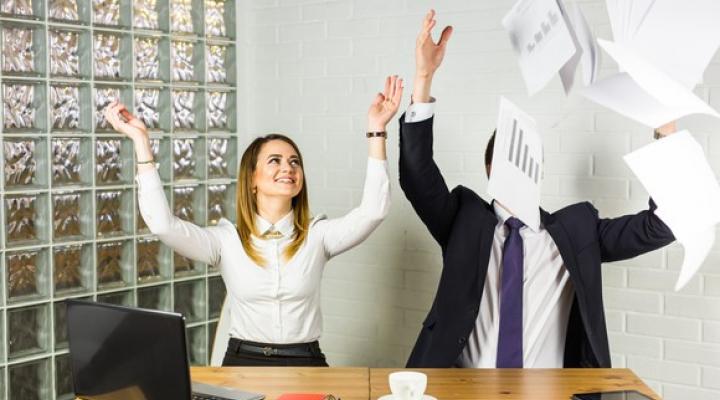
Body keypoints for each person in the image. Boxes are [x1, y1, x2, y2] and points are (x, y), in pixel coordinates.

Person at [399, 10, 676, 369]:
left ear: (540, 171)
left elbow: (662, 225)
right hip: (463, 390)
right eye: (507, 159)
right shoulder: (463, 220)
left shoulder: (577, 232)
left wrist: (665, 129)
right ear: (489, 170)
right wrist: (424, 78)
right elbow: (417, 176)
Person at [103, 75, 404, 366]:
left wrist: (376, 131)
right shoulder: (224, 241)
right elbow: (162, 225)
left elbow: (374, 210)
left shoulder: (318, 236)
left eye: (294, 161)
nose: (288, 167)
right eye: (275, 160)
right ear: (252, 180)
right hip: (242, 361)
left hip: (306, 360)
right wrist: (141, 141)